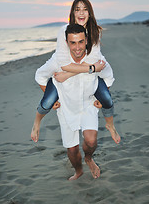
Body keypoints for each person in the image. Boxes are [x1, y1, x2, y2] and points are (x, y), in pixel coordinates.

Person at [31, 0, 120, 145]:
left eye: (85, 9)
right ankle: (37, 122)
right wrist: (82, 69)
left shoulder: (94, 32)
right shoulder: (64, 31)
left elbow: (92, 62)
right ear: (72, 12)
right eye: (77, 9)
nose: (81, 13)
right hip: (66, 66)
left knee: (107, 99)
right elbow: (63, 63)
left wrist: (68, 74)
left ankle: (110, 125)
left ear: (90, 13)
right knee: (47, 102)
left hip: (90, 69)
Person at [34, 24, 110, 180]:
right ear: (66, 43)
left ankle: (88, 158)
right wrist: (53, 100)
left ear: (86, 40)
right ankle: (78, 171)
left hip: (88, 105)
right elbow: (39, 76)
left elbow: (108, 76)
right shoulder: (58, 61)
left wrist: (99, 99)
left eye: (81, 42)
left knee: (91, 140)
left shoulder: (95, 59)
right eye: (73, 43)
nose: (77, 47)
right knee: (72, 148)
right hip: (66, 108)